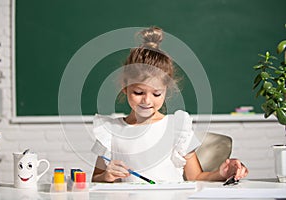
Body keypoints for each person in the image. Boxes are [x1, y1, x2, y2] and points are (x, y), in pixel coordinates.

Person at [91, 26, 248, 183]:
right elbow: (96, 179)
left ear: (166, 90)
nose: (147, 101)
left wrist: (221, 173)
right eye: (139, 93)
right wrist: (106, 176)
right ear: (125, 88)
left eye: (156, 94)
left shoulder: (176, 127)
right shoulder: (110, 130)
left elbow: (196, 177)